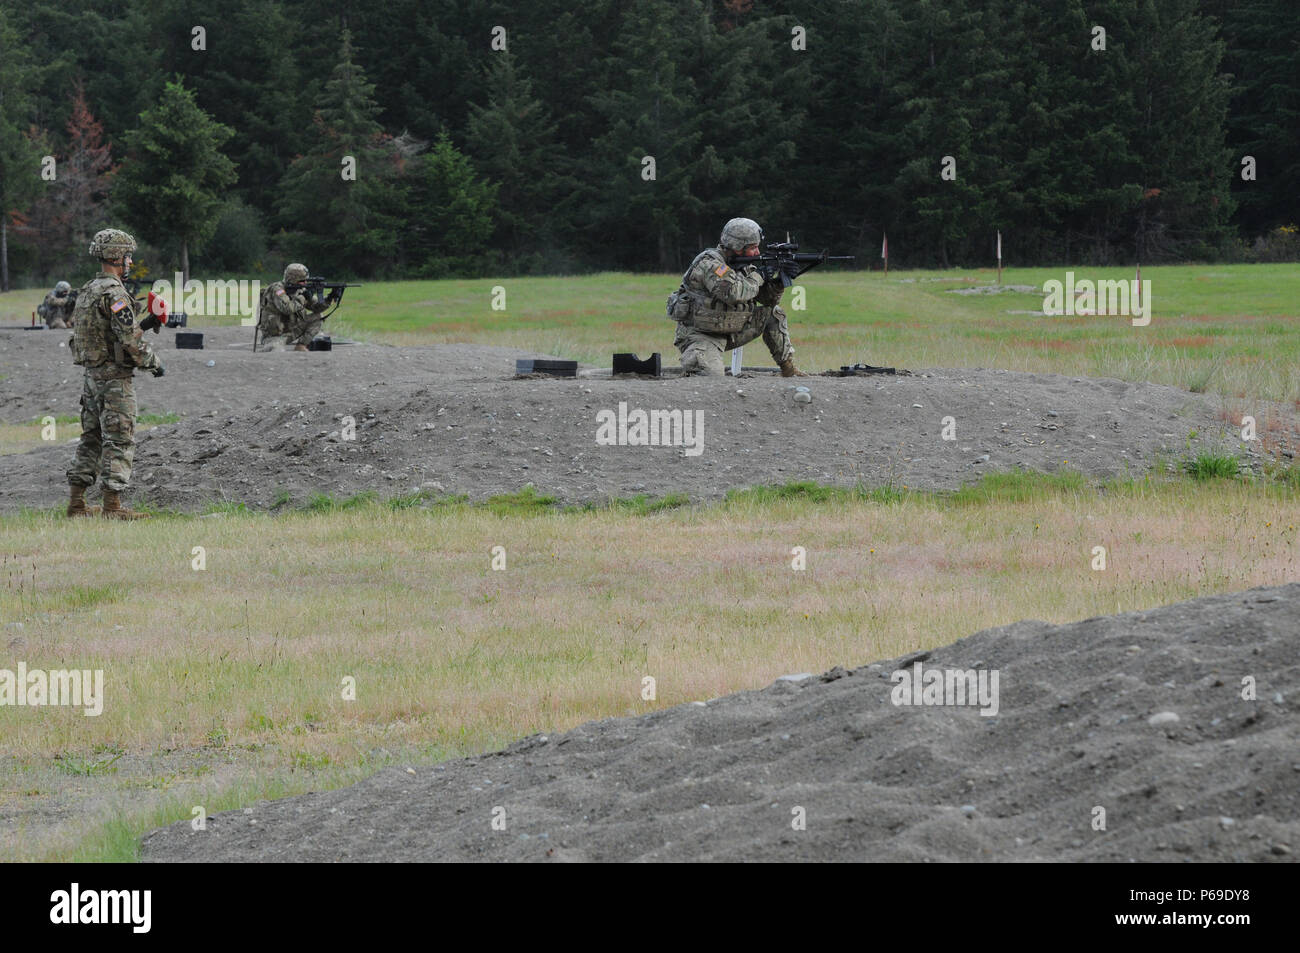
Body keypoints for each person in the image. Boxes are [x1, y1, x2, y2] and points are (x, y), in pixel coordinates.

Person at [65, 228, 164, 519]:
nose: (130, 262)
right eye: (127, 256)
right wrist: (154, 363)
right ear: (115, 256)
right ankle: (112, 507)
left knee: (91, 438)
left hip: (91, 378)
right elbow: (130, 342)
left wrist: (144, 323)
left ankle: (76, 504)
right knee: (120, 439)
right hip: (114, 380)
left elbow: (105, 332)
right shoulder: (115, 293)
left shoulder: (88, 290)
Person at [667, 217, 806, 377]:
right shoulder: (710, 265)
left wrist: (779, 281)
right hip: (701, 335)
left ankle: (789, 369)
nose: (757, 252)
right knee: (710, 378)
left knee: (774, 313)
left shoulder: (743, 266)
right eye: (753, 247)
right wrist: (759, 275)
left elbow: (767, 300)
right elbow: (733, 293)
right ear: (737, 247)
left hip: (731, 329)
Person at [256, 263, 327, 351]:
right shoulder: (277, 289)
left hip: (292, 331)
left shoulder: (300, 289)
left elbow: (316, 307)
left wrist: (329, 299)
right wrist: (304, 296)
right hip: (274, 336)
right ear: (293, 280)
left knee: (318, 317)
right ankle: (272, 346)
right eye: (302, 281)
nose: (305, 283)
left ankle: (301, 345)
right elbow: (287, 308)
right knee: (276, 350)